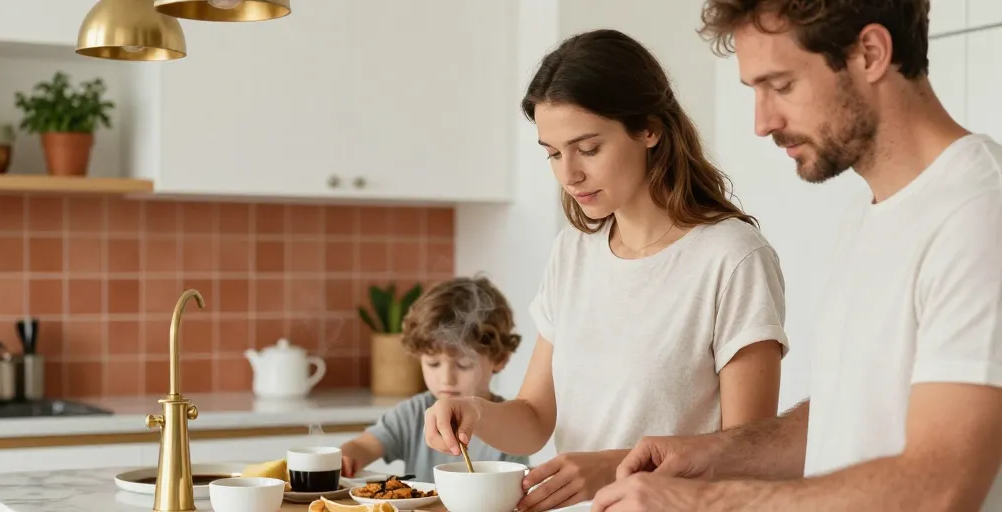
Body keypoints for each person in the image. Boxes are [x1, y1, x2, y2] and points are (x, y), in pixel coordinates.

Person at [591, 1, 1002, 511]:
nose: (763, 123)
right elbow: (846, 417)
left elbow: (943, 486)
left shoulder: (980, 213)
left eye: (781, 85)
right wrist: (712, 455)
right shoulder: (869, 215)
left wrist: (703, 502)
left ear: (870, 54)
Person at [424, 29, 790, 511]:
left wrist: (610, 467)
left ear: (649, 129)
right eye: (553, 153)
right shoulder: (572, 253)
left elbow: (748, 457)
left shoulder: (732, 257)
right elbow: (535, 417)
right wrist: (473, 411)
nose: (568, 173)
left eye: (588, 148)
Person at [338, 276, 529, 484]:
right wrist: (344, 457)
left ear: (499, 359)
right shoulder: (412, 414)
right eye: (433, 364)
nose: (446, 379)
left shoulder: (511, 425)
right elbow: (364, 446)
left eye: (463, 364)